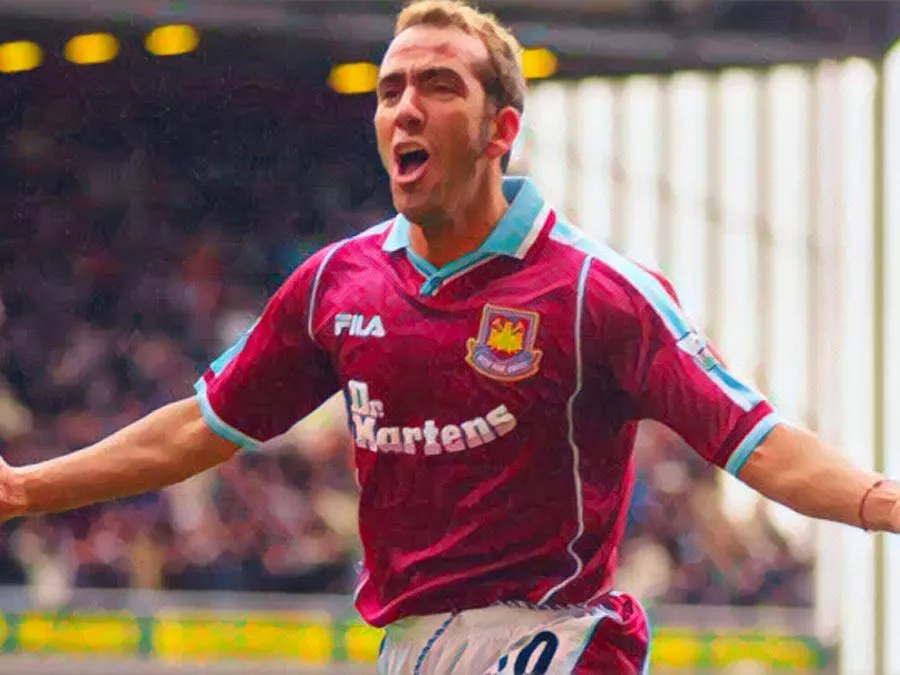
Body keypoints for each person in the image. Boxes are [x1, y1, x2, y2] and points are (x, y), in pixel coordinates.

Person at [1, 1, 897, 673]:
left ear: (502, 128)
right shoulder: (335, 284)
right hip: (411, 647)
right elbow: (200, 426)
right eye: (391, 89)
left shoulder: (597, 292)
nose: (406, 107)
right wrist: (28, 487)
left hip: (556, 639)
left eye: (439, 85)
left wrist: (880, 500)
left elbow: (757, 441)